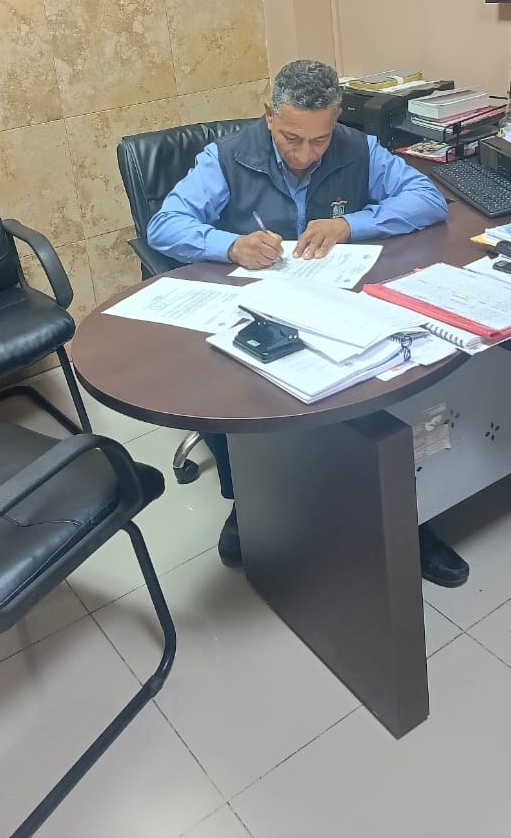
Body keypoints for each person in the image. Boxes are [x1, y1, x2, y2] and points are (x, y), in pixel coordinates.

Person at [146, 58, 470, 588]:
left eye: (319, 140)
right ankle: (246, 501)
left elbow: (428, 200)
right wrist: (230, 244)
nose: (304, 154)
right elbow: (165, 225)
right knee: (228, 388)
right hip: (255, 306)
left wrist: (349, 225)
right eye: (292, 138)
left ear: (336, 121)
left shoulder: (358, 148)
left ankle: (402, 515)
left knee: (389, 380)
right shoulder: (225, 158)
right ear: (269, 114)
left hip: (336, 301)